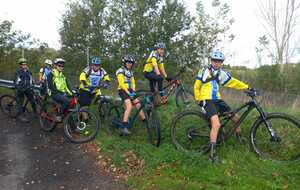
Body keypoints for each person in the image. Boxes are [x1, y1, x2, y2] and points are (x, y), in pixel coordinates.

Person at [194, 50, 250, 162]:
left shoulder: (221, 73)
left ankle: (239, 138)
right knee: (216, 124)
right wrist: (198, 99)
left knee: (236, 118)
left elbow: (233, 82)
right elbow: (196, 86)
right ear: (211, 61)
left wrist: (247, 87)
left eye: (219, 61)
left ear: (221, 63)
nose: (216, 63)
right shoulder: (204, 71)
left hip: (218, 100)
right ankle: (212, 155)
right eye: (214, 61)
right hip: (207, 99)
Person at [116, 54, 146, 135]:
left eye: (131, 63)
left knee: (138, 103)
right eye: (128, 62)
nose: (130, 64)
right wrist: (129, 92)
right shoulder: (120, 71)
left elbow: (133, 82)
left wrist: (133, 90)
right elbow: (121, 83)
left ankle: (144, 121)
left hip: (129, 90)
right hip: (122, 90)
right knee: (129, 106)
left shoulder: (130, 72)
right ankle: (123, 127)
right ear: (125, 63)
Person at [14, 58, 36, 122]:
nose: (24, 65)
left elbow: (32, 80)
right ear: (20, 65)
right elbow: (16, 81)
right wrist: (19, 88)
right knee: (20, 102)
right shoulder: (18, 72)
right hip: (21, 89)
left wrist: (33, 85)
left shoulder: (29, 72)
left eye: (25, 64)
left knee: (32, 101)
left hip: (28, 88)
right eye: (22, 64)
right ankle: (21, 116)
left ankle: (35, 113)